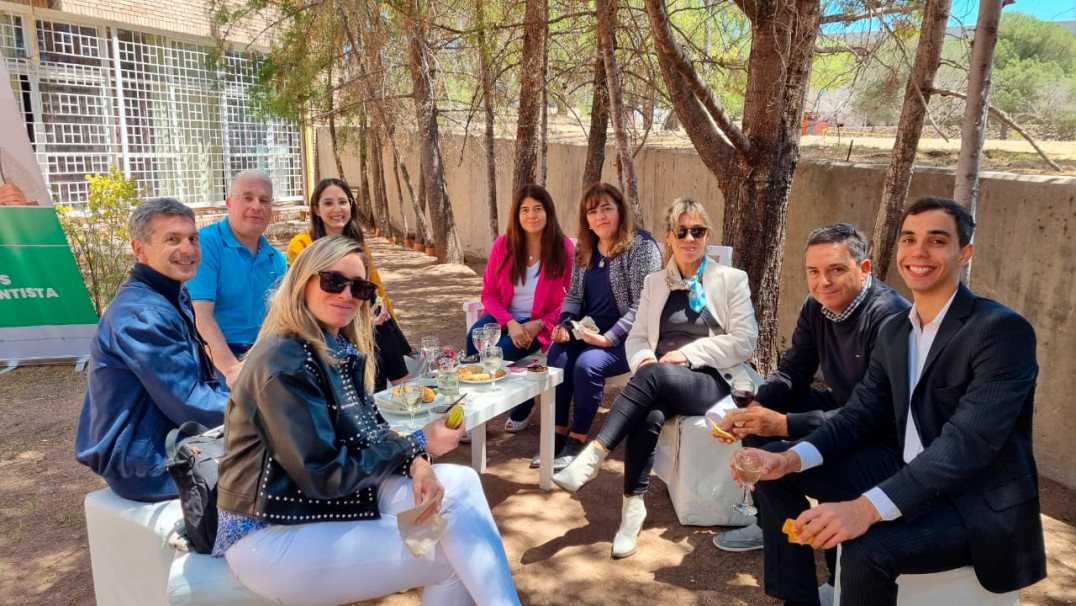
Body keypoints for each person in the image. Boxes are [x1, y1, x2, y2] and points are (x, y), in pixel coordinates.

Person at [742, 198, 1045, 606]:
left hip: (971, 501)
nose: (919, 252)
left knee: (869, 549)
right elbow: (860, 414)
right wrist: (790, 459)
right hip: (904, 471)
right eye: (909, 239)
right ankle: (799, 599)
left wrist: (864, 509)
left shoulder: (1001, 331)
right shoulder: (898, 332)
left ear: (964, 253)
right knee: (775, 471)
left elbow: (964, 445)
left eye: (937, 241)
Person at [214, 236, 521, 606]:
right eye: (333, 281)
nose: (347, 294)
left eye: (360, 286)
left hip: (310, 506)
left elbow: (370, 432)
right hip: (271, 532)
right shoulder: (285, 361)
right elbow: (323, 474)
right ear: (303, 281)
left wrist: (418, 463)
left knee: (460, 483)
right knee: (453, 556)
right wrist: (419, 441)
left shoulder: (334, 348)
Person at [552, 197, 759, 558]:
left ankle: (594, 454)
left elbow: (745, 341)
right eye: (682, 231)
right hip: (662, 378)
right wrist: (647, 359)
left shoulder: (730, 280)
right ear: (669, 236)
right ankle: (632, 510)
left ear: (707, 235)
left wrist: (687, 355)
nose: (690, 238)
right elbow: (636, 338)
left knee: (654, 377)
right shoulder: (655, 283)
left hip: (713, 381)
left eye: (698, 230)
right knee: (649, 409)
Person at [713, 223, 909, 570]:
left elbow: (875, 415)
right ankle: (769, 524)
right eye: (814, 272)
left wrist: (785, 425)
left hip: (887, 439)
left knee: (774, 459)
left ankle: (808, 577)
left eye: (836, 270)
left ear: (864, 269)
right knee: (758, 427)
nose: (823, 282)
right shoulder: (816, 304)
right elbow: (794, 371)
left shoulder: (890, 318)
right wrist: (759, 406)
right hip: (846, 411)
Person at [75, 198, 228, 502]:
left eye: (192, 239)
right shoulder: (142, 315)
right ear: (139, 248)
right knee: (286, 455)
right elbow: (190, 402)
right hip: (148, 466)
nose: (188, 249)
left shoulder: (168, 295)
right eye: (172, 239)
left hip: (168, 441)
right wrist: (263, 410)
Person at [541, 182, 662, 470]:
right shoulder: (584, 248)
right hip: (588, 329)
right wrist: (565, 325)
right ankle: (555, 436)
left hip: (631, 336)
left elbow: (644, 303)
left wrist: (609, 339)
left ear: (620, 210)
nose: (600, 216)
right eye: (592, 211)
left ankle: (577, 439)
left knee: (587, 365)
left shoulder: (642, 247)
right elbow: (573, 295)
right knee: (557, 356)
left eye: (607, 208)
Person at [288, 177, 413, 389]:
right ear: (317, 210)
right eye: (328, 203)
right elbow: (302, 296)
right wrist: (364, 323)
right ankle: (403, 391)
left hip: (362, 311)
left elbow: (376, 286)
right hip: (325, 318)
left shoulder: (358, 243)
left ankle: (405, 392)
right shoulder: (302, 244)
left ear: (351, 205)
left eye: (343, 202)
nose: (337, 209)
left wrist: (389, 320)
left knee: (376, 302)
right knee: (376, 355)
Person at [467, 183, 573, 433]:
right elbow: (489, 293)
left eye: (538, 209)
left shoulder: (563, 248)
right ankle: (471, 410)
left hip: (540, 322)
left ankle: (522, 407)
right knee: (474, 338)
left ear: (548, 212)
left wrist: (539, 325)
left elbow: (571, 298)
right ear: (516, 214)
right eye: (524, 210)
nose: (531, 215)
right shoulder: (503, 245)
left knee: (501, 352)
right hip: (504, 316)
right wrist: (510, 323)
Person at [188, 170, 287, 385]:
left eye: (264, 200)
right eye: (247, 197)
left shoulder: (276, 259)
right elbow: (200, 317)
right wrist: (233, 371)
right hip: (215, 357)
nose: (256, 206)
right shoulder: (206, 245)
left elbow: (282, 319)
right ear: (229, 203)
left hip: (264, 354)